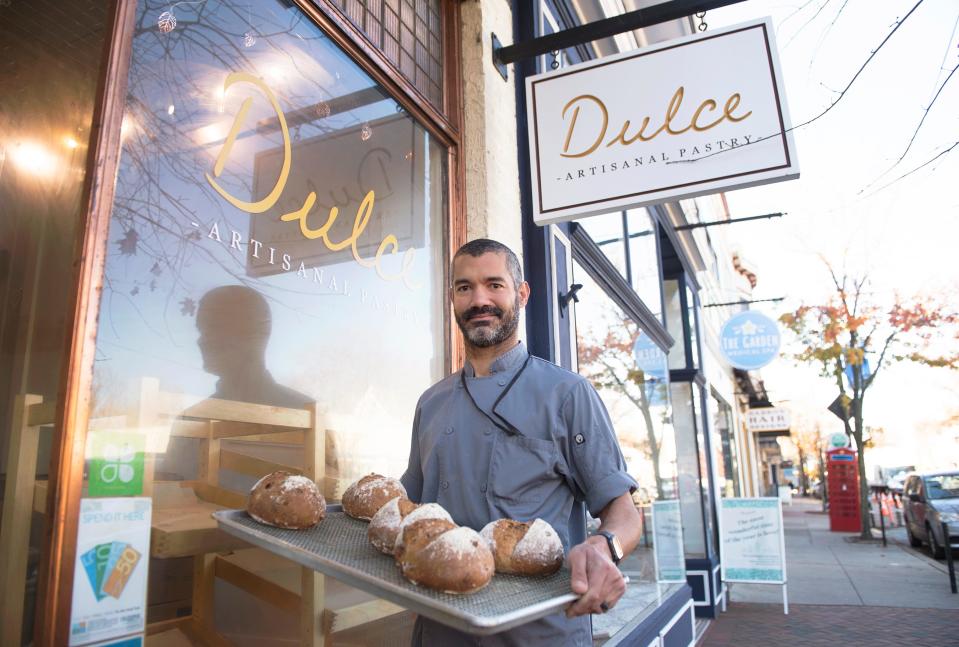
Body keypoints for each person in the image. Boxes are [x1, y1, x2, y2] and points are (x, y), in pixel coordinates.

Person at [401, 239, 642, 646]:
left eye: (494, 284)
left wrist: (605, 547)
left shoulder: (568, 394)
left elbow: (624, 513)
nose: (480, 299)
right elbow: (410, 509)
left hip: (539, 632)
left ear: (522, 293)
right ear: (452, 299)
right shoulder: (431, 403)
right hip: (441, 628)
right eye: (465, 287)